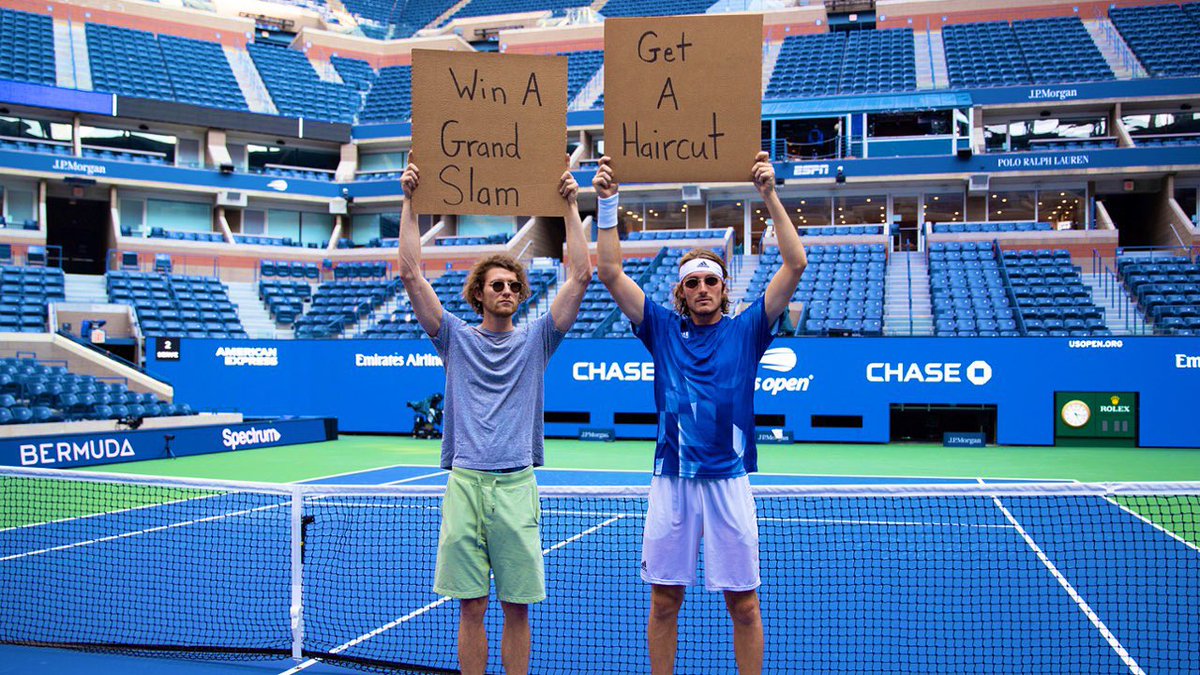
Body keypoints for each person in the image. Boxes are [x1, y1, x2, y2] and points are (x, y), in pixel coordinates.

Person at [592, 152, 807, 674]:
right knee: (665, 602)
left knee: (745, 605)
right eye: (693, 283)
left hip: (729, 480)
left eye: (711, 280)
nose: (703, 289)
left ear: (724, 287)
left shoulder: (748, 329)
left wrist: (770, 195)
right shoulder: (661, 328)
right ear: (681, 292)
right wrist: (606, 202)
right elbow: (609, 270)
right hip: (672, 481)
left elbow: (795, 263)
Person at [397, 159, 591, 675]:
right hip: (465, 483)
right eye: (496, 285)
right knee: (471, 606)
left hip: (515, 486)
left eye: (513, 285)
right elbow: (411, 274)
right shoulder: (454, 339)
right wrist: (411, 201)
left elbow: (582, 275)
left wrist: (570, 204)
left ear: (521, 294)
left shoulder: (536, 341)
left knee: (516, 607)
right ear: (478, 293)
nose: (506, 291)